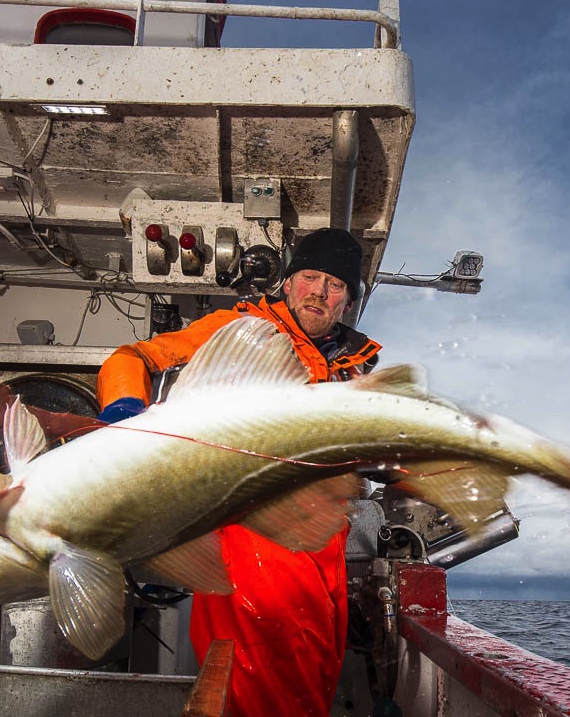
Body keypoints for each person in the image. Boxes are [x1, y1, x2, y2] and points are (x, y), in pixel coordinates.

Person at [96, 227, 381, 716]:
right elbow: (132, 357)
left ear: (348, 302)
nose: (319, 291)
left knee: (316, 670)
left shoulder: (355, 369)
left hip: (325, 539)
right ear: (287, 283)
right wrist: (125, 407)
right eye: (309, 276)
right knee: (258, 669)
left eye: (335, 284)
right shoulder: (238, 327)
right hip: (251, 526)